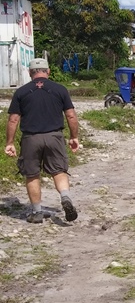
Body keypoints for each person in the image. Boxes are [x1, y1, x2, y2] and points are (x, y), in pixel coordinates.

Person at [4, 58, 79, 224]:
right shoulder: (60, 89)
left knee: (32, 174)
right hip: (55, 136)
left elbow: (13, 120)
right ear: (48, 71)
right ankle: (65, 197)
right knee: (59, 170)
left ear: (30, 73)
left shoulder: (21, 92)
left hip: (31, 138)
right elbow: (71, 115)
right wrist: (74, 137)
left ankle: (37, 212)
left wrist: (9, 142)